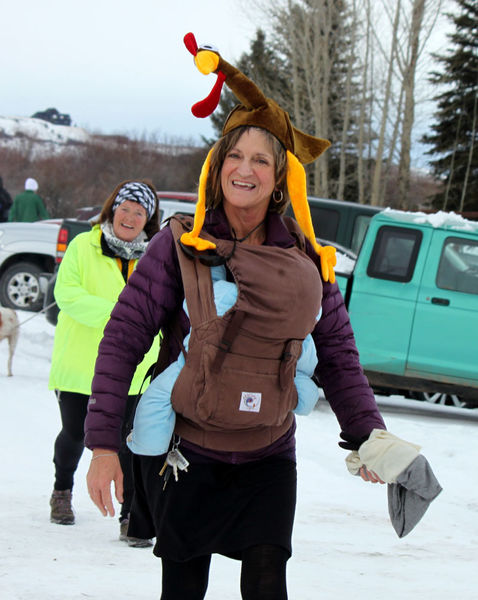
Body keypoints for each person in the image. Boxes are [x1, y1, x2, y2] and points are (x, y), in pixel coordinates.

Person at [85, 35, 387, 599]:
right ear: (218, 166)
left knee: (268, 586)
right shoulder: (178, 245)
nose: (245, 170)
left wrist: (369, 434)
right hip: (189, 450)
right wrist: (104, 446)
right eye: (235, 156)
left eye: (261, 160)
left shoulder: (307, 262)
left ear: (280, 178)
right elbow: (123, 338)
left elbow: (340, 356)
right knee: (183, 588)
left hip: (268, 453)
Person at [49, 179, 161, 548]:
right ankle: (62, 489)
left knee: (129, 441)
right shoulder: (83, 245)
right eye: (125, 208)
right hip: (81, 366)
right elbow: (66, 295)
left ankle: (131, 515)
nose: (130, 216)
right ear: (113, 209)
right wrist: (120, 313)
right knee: (77, 434)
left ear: (148, 221)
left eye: (139, 212)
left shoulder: (153, 258)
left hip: (133, 369)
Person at [126, 264, 322, 457]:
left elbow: (196, 299)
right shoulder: (295, 318)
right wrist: (302, 393)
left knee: (160, 394)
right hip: (266, 403)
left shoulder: (221, 296)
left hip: (206, 369)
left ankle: (149, 445)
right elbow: (306, 365)